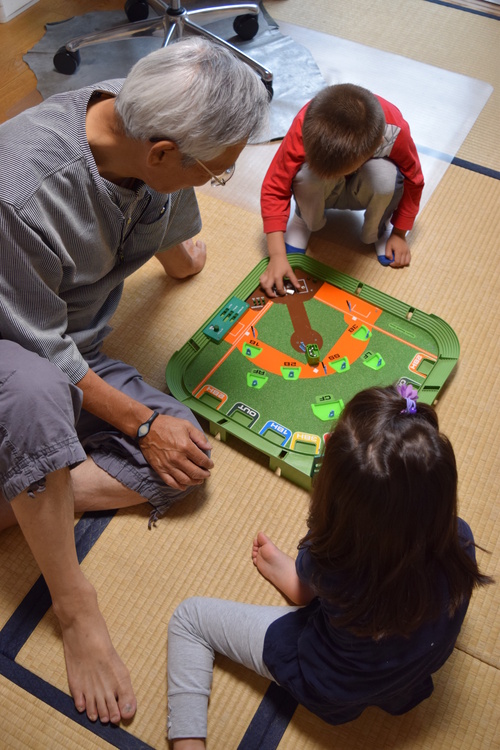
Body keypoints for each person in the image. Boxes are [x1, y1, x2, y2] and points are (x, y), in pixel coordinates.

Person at [0, 37, 269, 725]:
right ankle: (73, 601)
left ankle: (37, 491)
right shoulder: (20, 190)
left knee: (188, 460)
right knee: (37, 396)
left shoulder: (145, 110)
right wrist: (138, 423)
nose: (216, 181)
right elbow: (39, 347)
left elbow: (159, 207)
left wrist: (181, 258)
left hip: (76, 350)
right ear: (160, 156)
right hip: (19, 352)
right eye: (215, 174)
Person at [166, 384, 491, 747]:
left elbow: (311, 589)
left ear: (333, 497)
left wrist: (302, 575)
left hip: (333, 687)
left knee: (189, 619)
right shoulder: (460, 538)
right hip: (406, 678)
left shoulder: (330, 561)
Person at [260, 83, 424, 296]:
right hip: (324, 192)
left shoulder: (395, 130)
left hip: (364, 187)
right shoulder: (307, 125)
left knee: (386, 177)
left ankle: (378, 230)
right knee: (306, 176)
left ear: (377, 145)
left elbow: (414, 179)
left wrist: (400, 233)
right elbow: (275, 185)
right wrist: (277, 255)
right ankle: (304, 220)